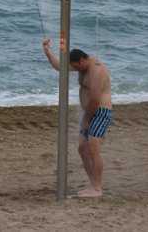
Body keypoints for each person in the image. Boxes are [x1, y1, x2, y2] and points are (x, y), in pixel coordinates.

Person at [42, 38, 112, 198]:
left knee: (93, 147)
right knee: (82, 149)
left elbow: (94, 99)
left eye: (76, 67)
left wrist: (86, 120)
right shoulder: (82, 66)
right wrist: (47, 52)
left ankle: (97, 188)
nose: (75, 70)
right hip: (89, 113)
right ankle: (93, 184)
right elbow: (60, 67)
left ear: (82, 60)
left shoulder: (97, 71)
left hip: (100, 111)